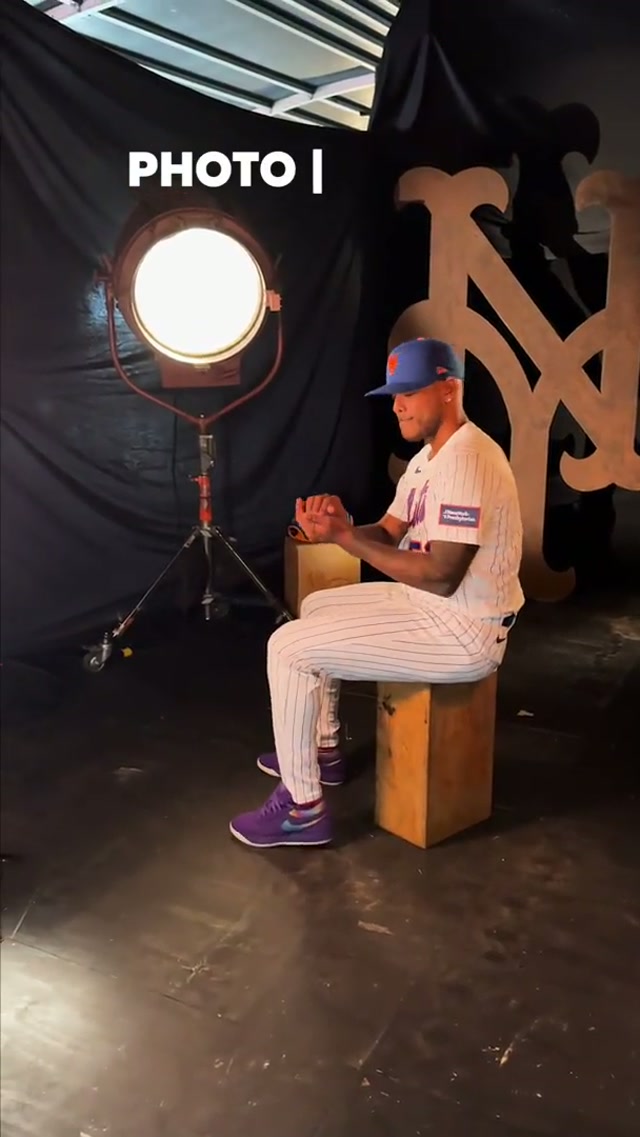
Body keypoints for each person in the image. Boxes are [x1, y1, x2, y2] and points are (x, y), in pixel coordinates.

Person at [229, 337, 524, 849]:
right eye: (393, 395)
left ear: (449, 389)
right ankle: (323, 750)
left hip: (466, 629)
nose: (398, 405)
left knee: (288, 648)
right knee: (316, 605)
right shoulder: (428, 460)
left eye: (409, 392)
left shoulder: (469, 460)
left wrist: (346, 540)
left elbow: (442, 574)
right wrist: (338, 529)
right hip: (432, 606)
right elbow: (387, 534)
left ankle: (302, 808)